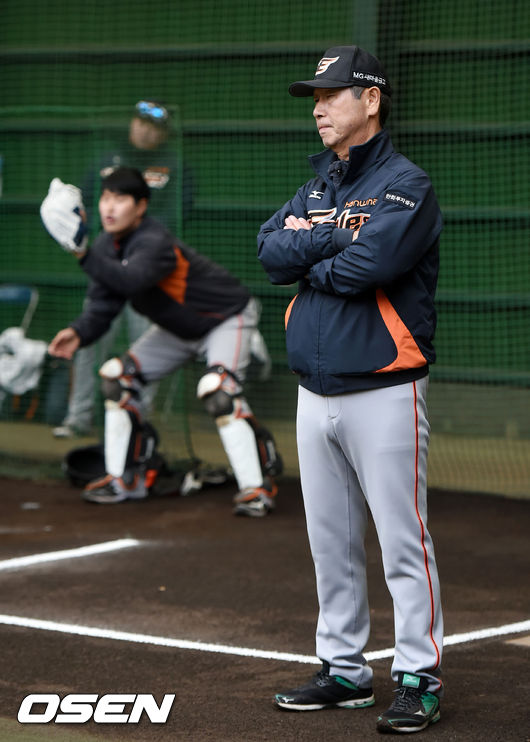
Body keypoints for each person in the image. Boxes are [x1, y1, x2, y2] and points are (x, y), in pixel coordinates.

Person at [257, 45, 444, 733]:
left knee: (403, 542)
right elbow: (269, 250)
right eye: (315, 96)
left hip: (385, 388)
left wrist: (312, 246)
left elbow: (371, 266)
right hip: (314, 391)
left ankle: (419, 677)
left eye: (332, 94)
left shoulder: (406, 184)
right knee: (329, 542)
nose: (319, 107)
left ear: (371, 99)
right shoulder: (316, 187)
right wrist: (329, 238)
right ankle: (344, 671)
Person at [44, 167, 281, 516]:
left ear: (141, 206)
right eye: (105, 198)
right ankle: (125, 479)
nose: (109, 207)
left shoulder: (154, 240)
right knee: (116, 378)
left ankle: (257, 487)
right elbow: (103, 304)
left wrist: (82, 254)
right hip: (178, 328)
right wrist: (78, 332)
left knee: (218, 392)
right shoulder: (105, 247)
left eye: (120, 198)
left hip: (224, 318)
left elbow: (130, 280)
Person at [53, 100, 185, 438]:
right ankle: (78, 418)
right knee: (88, 342)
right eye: (140, 122)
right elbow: (83, 203)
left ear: (163, 134)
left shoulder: (173, 165)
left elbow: (175, 215)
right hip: (108, 269)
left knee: (145, 348)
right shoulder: (106, 161)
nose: (144, 130)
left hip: (147, 274)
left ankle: (138, 420)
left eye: (153, 127)